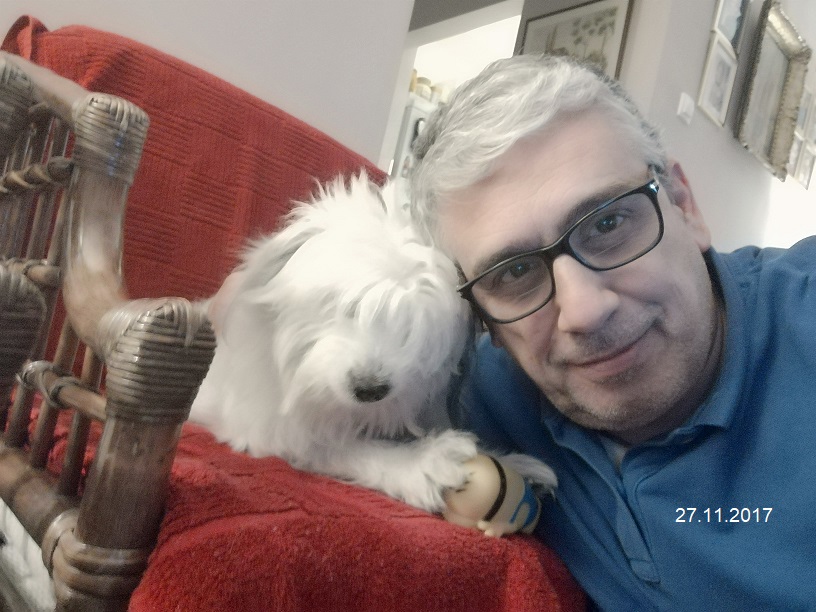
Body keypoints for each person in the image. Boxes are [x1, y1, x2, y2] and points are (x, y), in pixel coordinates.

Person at [410, 53, 816, 611]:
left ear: (684, 206)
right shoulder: (474, 396)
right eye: (515, 273)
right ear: (482, 318)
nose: (584, 311)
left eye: (608, 223)